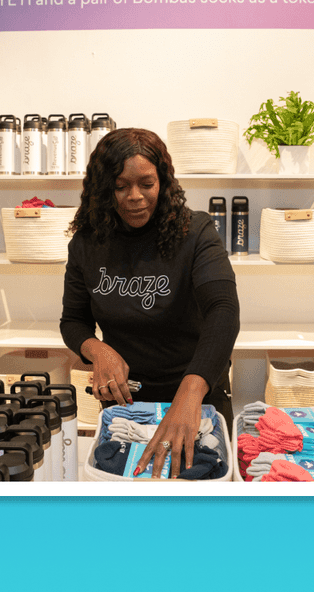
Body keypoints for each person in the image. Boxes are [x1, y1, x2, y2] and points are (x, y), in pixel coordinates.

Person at [60, 127, 240, 477]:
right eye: (120, 186)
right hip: (126, 406)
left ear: (164, 181)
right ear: (104, 188)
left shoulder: (196, 232)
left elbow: (223, 311)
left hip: (198, 395)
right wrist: (98, 350)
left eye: (147, 184)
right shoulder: (87, 243)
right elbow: (73, 321)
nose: (135, 197)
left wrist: (190, 392)